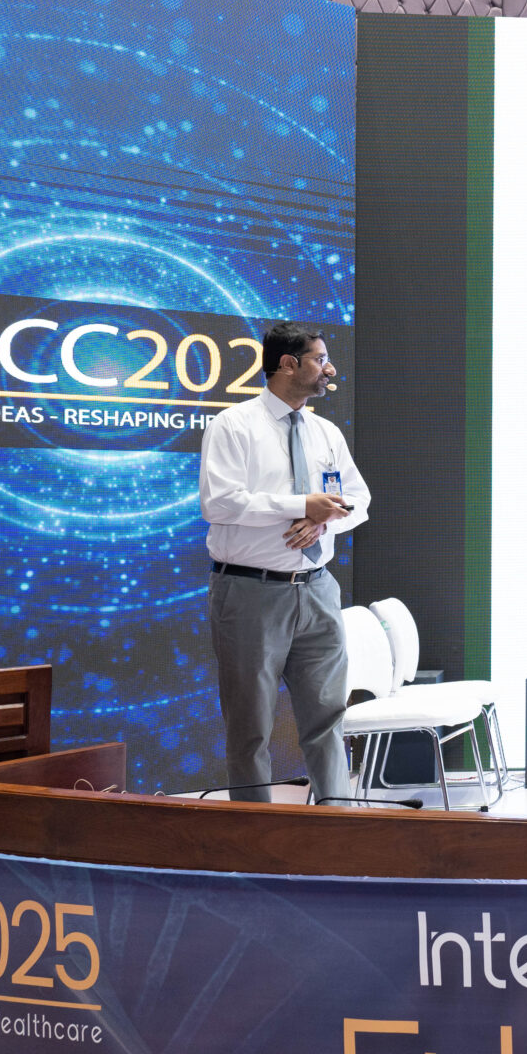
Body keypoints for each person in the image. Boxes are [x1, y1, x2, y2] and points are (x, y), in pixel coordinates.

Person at [198, 322, 369, 802]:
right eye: (320, 359)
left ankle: (336, 820)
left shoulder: (325, 432)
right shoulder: (234, 425)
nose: (329, 369)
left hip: (317, 589)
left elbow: (358, 500)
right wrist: (301, 505)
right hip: (250, 592)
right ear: (288, 364)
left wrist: (322, 521)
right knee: (250, 725)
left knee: (328, 717)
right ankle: (256, 832)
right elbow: (220, 503)